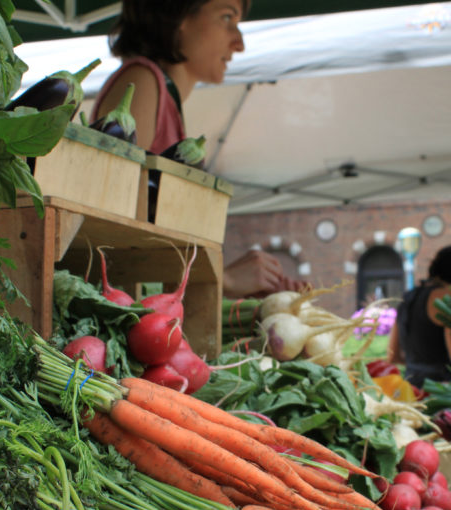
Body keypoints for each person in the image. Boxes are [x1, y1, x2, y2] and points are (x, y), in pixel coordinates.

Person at [93, 0, 303, 298]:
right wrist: (223, 278)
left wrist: (234, 285)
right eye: (227, 17)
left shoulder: (162, 97)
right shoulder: (141, 82)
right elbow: (109, 227)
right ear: (177, 15)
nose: (239, 42)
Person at [386, 245, 451, 388]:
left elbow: (392, 355)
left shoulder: (407, 299)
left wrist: (418, 366)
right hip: (442, 391)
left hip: (410, 389)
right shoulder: (448, 297)